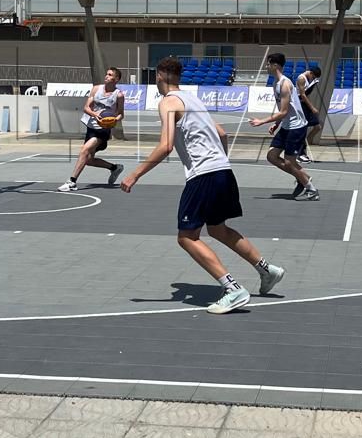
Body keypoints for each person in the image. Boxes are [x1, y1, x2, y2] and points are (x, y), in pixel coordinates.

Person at [121, 57, 284, 315]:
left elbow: (166, 145)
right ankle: (267, 270)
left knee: (187, 237)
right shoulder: (193, 100)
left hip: (203, 174)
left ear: (159, 75)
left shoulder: (168, 102)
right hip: (223, 170)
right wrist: (219, 162)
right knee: (218, 229)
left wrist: (135, 174)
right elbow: (222, 134)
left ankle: (233, 289)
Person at [250, 53, 318, 200]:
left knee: (289, 161)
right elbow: (283, 110)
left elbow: (284, 111)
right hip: (287, 125)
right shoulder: (276, 83)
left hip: (296, 127)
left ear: (275, 65)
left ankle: (311, 190)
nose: (266, 66)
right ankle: (303, 177)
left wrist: (262, 121)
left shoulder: (285, 84)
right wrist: (277, 124)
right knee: (272, 156)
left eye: (268, 64)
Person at [59, 66, 126, 192]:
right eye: (106, 74)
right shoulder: (96, 89)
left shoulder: (119, 95)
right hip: (91, 127)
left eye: (110, 75)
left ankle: (72, 182)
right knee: (88, 160)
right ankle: (114, 168)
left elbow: (121, 114)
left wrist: (114, 120)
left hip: (103, 130)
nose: (106, 76)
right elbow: (86, 108)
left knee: (84, 151)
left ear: (116, 79)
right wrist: (95, 115)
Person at [295, 65, 323, 163]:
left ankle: (303, 145)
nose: (313, 79)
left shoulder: (308, 79)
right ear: (311, 73)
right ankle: (300, 153)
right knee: (303, 129)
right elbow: (302, 95)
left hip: (305, 105)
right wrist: (312, 108)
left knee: (317, 127)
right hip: (301, 105)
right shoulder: (301, 78)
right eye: (313, 77)